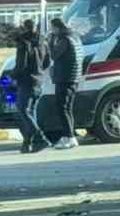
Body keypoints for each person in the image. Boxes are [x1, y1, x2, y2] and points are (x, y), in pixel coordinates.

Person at [11, 20, 50, 154]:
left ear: (24, 28)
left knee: (23, 111)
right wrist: (38, 71)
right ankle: (27, 144)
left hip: (26, 81)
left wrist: (13, 76)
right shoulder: (43, 42)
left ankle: (40, 138)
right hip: (38, 80)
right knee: (30, 112)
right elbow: (47, 62)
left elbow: (21, 65)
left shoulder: (23, 43)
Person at [47, 17, 83, 150]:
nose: (51, 31)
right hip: (73, 77)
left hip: (65, 77)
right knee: (67, 108)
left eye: (52, 28)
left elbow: (54, 55)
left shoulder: (64, 39)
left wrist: (50, 42)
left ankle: (69, 137)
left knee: (62, 108)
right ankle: (70, 135)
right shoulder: (75, 37)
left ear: (57, 28)